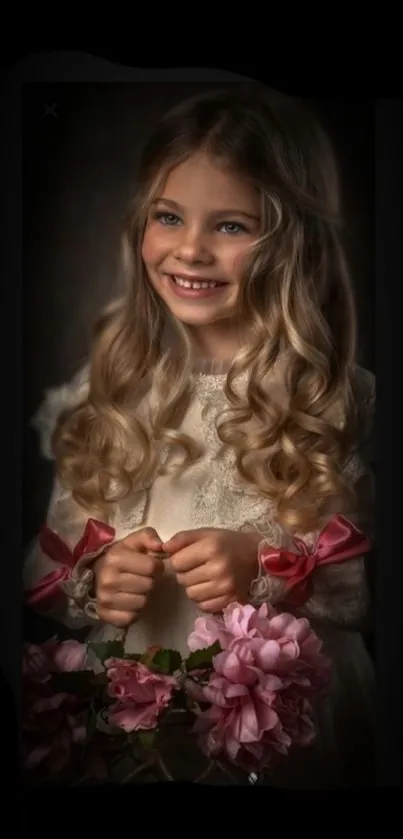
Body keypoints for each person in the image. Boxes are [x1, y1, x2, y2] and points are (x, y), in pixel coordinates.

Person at [23, 84, 376, 788]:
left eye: (232, 226)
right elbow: (50, 558)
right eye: (168, 216)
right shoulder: (109, 393)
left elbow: (360, 581)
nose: (190, 249)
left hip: (282, 730)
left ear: (290, 240)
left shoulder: (333, 398)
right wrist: (97, 577)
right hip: (131, 723)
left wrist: (265, 564)